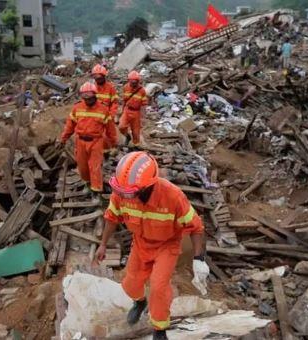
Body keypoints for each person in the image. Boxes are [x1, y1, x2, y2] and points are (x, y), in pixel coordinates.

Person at [95, 151, 209, 340]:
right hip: (140, 244)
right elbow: (111, 217)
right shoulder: (122, 193)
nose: (125, 197)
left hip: (167, 246)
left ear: (147, 187)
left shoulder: (173, 197)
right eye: (122, 192)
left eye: (130, 193)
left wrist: (199, 259)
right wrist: (103, 245)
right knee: (130, 284)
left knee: (158, 287)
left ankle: (159, 328)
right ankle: (140, 302)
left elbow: (196, 227)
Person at [60, 82, 117, 196]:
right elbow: (70, 126)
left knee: (95, 166)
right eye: (85, 98)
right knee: (82, 166)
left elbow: (110, 129)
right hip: (80, 141)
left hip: (96, 141)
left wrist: (113, 144)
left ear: (95, 95)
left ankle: (96, 191)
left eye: (90, 98)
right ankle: (87, 183)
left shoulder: (103, 109)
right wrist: (63, 139)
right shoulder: (77, 108)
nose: (88, 101)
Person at [91, 64, 119, 151]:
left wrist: (111, 114)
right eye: (96, 78)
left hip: (107, 115)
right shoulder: (92, 87)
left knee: (110, 135)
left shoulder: (110, 88)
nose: (98, 79)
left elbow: (114, 102)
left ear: (104, 76)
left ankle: (110, 150)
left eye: (99, 77)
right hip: (95, 116)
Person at [119, 71, 147, 147]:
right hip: (127, 110)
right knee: (121, 126)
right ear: (129, 81)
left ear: (138, 81)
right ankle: (127, 136)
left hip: (136, 112)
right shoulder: (126, 87)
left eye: (135, 82)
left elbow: (143, 105)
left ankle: (135, 146)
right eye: (132, 82)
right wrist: (122, 111)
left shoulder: (142, 90)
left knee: (136, 132)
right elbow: (124, 100)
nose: (133, 83)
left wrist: (143, 118)